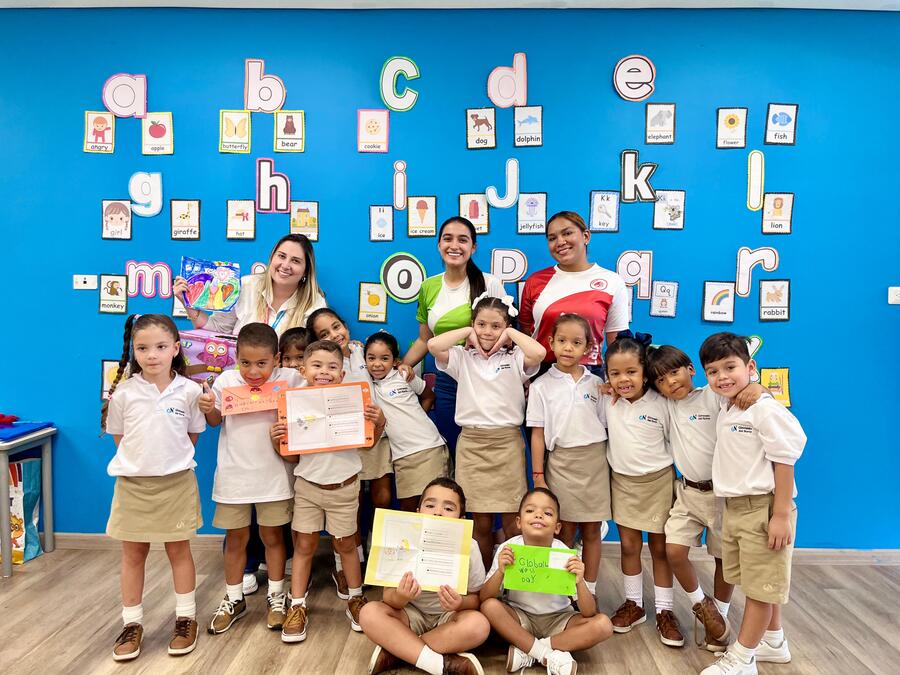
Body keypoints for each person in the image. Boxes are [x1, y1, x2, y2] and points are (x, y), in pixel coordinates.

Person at [699, 333, 805, 675]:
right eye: (713, 372)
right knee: (757, 581)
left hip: (764, 508)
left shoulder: (763, 408)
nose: (722, 377)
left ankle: (742, 660)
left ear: (751, 367)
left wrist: (780, 515)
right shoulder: (729, 405)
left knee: (761, 589)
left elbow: (785, 459)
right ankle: (772, 641)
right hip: (735, 507)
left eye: (730, 367)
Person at [101, 314, 206, 661]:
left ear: (176, 348)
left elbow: (191, 437)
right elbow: (121, 440)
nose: (152, 355)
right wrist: (143, 467)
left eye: (161, 347)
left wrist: (165, 463)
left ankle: (185, 618)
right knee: (133, 555)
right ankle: (132, 624)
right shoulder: (124, 393)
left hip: (176, 484)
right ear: (134, 350)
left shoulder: (190, 392)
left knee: (179, 552)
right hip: (133, 486)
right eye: (143, 348)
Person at [647, 345, 765, 651]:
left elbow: (742, 387)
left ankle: (719, 621)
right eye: (661, 380)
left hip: (722, 494)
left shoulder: (711, 396)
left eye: (674, 372)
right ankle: (702, 605)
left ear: (690, 369)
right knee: (674, 550)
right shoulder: (666, 405)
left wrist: (758, 385)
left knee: (723, 559)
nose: (670, 382)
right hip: (686, 493)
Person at [270, 340, 387, 643]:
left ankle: (356, 598)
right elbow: (292, 456)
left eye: (332, 366)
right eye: (317, 366)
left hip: (345, 487)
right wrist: (277, 439)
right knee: (304, 546)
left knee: (346, 545)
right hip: (308, 486)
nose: (324, 371)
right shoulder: (294, 404)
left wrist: (380, 421)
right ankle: (297, 606)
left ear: (343, 372)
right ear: (303, 369)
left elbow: (369, 442)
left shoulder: (352, 400)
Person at [428, 295, 545, 568]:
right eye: (481, 324)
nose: (487, 332)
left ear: (506, 327)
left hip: (507, 444)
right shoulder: (461, 358)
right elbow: (434, 344)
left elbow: (538, 353)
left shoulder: (516, 357)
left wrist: (512, 334)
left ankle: (510, 581)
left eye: (496, 326)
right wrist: (467, 332)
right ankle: (482, 579)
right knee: (479, 520)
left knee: (510, 519)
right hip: (472, 444)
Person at [200, 323, 302, 637]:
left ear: (277, 359)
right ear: (235, 357)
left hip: (273, 477)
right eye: (245, 363)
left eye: (262, 363)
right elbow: (216, 420)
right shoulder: (226, 381)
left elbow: (320, 384)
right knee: (236, 540)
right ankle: (233, 599)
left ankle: (275, 596)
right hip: (234, 477)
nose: (253, 371)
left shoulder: (291, 380)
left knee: (273, 538)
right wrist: (207, 408)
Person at [359, 478, 489, 675]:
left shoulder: (469, 547)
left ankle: (400, 651)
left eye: (448, 508)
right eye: (430, 505)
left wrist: (459, 604)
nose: (438, 512)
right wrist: (402, 596)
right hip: (410, 614)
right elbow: (388, 598)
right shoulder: (401, 540)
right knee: (368, 612)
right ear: (418, 512)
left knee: (479, 625)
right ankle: (439, 663)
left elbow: (476, 598)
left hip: (449, 619)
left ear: (461, 519)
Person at [602, 332, 683, 647]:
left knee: (660, 549)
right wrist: (605, 388)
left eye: (631, 372)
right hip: (622, 482)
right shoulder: (608, 400)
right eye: (615, 373)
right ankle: (634, 604)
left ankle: (665, 610)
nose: (623, 380)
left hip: (657, 482)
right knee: (629, 546)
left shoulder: (661, 403)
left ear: (645, 372)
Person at [480, 488, 613, 675]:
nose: (539, 515)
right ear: (519, 522)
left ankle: (531, 651)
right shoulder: (508, 548)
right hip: (520, 617)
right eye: (530, 511)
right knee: (490, 607)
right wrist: (500, 572)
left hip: (559, 619)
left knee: (603, 625)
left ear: (557, 527)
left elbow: (589, 611)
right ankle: (547, 654)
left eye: (547, 513)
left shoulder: (564, 554)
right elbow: (484, 598)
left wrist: (580, 582)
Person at [307, 308, 392, 597]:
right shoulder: (320, 365)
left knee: (381, 496)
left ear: (345, 325)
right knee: (349, 506)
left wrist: (403, 367)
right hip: (342, 444)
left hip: (373, 437)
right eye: (324, 334)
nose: (334, 335)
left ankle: (374, 556)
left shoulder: (360, 351)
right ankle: (344, 565)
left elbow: (384, 363)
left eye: (336, 327)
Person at [402, 217, 505, 455]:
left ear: (474, 247)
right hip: (447, 381)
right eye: (447, 239)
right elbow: (424, 340)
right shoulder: (428, 286)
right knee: (454, 450)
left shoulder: (491, 284)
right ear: (439, 244)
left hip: (486, 380)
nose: (454, 245)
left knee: (487, 452)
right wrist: (404, 366)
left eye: (463, 240)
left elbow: (507, 337)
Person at [527, 313, 610, 598]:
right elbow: (537, 435)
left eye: (576, 342)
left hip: (595, 462)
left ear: (588, 348)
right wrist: (538, 476)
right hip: (560, 463)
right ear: (550, 342)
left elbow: (606, 424)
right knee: (564, 530)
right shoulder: (541, 386)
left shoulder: (596, 384)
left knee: (591, 531)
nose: (568, 348)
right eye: (561, 341)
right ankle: (562, 591)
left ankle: (590, 590)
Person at [519, 211, 630, 374]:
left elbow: (617, 344)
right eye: (552, 238)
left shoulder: (613, 281)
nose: (560, 242)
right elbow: (526, 335)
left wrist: (615, 379)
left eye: (567, 233)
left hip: (591, 374)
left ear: (586, 236)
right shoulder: (535, 281)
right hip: (542, 373)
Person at [173, 233, 326, 337]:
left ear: (306, 271)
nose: (285, 265)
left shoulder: (315, 303)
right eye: (281, 256)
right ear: (271, 258)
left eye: (295, 261)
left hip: (287, 380)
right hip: (240, 376)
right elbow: (217, 328)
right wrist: (188, 304)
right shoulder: (246, 286)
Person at [363, 332, 449, 512]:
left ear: (395, 361)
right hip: (401, 457)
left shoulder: (403, 375)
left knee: (435, 504)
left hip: (428, 448)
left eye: (384, 358)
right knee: (408, 509)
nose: (377, 364)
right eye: (371, 358)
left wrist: (421, 417)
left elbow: (428, 396)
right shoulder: (367, 387)